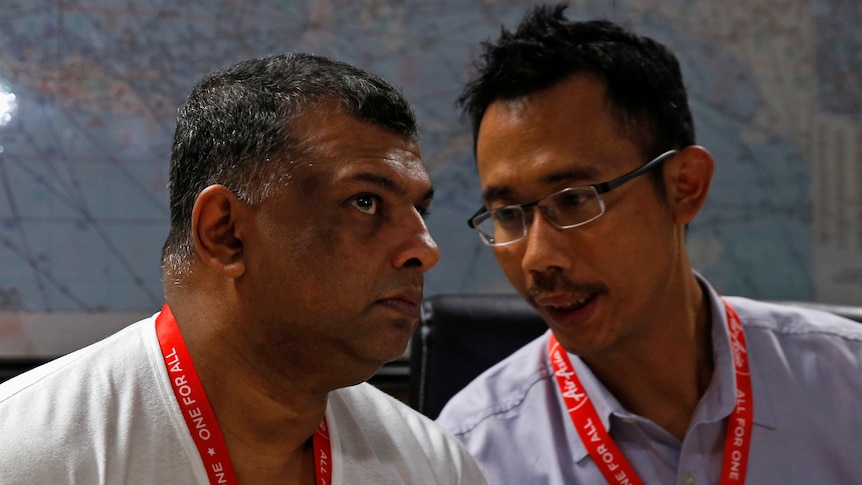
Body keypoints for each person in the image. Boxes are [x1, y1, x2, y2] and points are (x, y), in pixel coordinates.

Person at [0, 53, 488, 485]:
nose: (425, 249)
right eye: (365, 202)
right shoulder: (26, 454)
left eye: (419, 210)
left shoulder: (434, 465)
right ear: (225, 233)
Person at [436, 4, 862, 484]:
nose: (537, 258)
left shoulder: (848, 383)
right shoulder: (471, 454)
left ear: (685, 186)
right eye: (509, 215)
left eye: (575, 200)